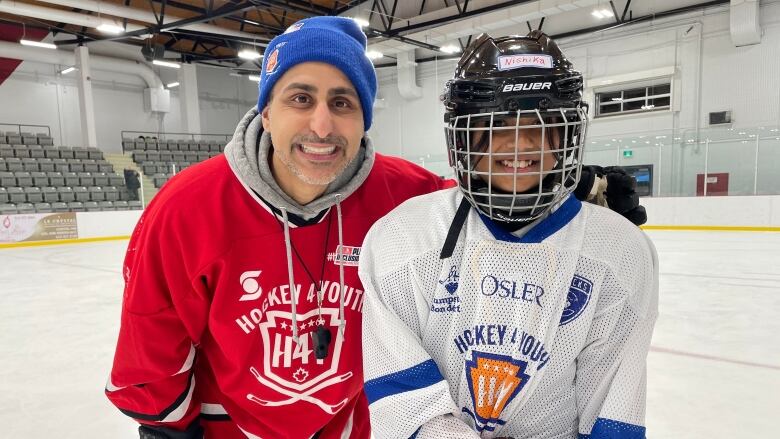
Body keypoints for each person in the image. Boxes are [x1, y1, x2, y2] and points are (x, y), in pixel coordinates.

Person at [106, 17, 647, 439]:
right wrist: (164, 430)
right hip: (235, 430)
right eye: (300, 98)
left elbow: (484, 193)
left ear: (364, 118)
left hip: (357, 425)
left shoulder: (402, 194)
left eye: (342, 103)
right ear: (265, 112)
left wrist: (579, 188)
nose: (321, 124)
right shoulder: (187, 208)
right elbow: (151, 343)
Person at [359, 31, 659, 439]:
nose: (521, 142)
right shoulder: (402, 240)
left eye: (544, 121)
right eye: (495, 123)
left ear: (569, 134)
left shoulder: (618, 252)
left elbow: (611, 409)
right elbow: (402, 404)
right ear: (459, 139)